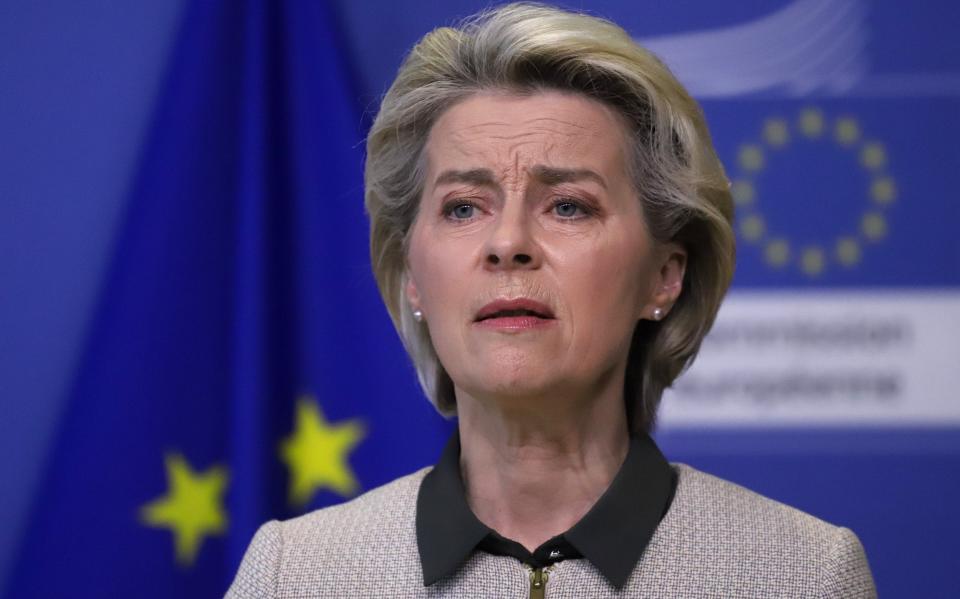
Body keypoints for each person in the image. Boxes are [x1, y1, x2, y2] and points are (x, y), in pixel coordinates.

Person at [226, 3, 876, 597]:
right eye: (462, 207)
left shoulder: (803, 572)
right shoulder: (296, 573)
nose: (508, 242)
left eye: (568, 205)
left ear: (664, 275)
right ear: (413, 278)